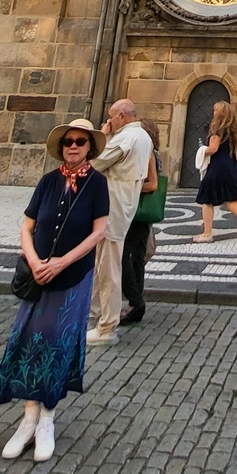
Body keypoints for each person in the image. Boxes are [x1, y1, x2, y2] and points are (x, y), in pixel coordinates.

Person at [0, 118, 110, 461]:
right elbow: (27, 226)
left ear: (89, 148)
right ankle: (28, 419)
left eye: (80, 142)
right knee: (29, 340)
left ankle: (47, 419)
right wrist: (34, 261)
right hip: (38, 275)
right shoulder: (47, 181)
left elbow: (99, 232)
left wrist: (61, 262)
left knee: (57, 343)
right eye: (68, 141)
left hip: (72, 277)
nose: (73, 146)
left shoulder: (97, 183)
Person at [87, 99, 153, 346]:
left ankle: (107, 326)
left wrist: (103, 136)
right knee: (103, 264)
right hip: (123, 206)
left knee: (108, 269)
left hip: (113, 208)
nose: (109, 121)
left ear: (122, 116)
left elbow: (94, 163)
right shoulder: (143, 136)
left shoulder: (125, 138)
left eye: (111, 117)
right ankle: (93, 313)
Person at [120, 116, 162, 327]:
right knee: (137, 256)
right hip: (143, 214)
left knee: (124, 255)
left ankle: (135, 301)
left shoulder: (148, 153)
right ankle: (135, 302)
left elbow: (152, 184)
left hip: (137, 210)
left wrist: (126, 187)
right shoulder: (154, 152)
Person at [193, 101, 237, 244]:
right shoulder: (232, 130)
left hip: (217, 167)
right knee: (230, 198)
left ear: (220, 113)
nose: (214, 113)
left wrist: (202, 151)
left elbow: (213, 149)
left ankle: (207, 234)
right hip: (230, 165)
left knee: (207, 200)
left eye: (215, 111)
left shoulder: (217, 130)